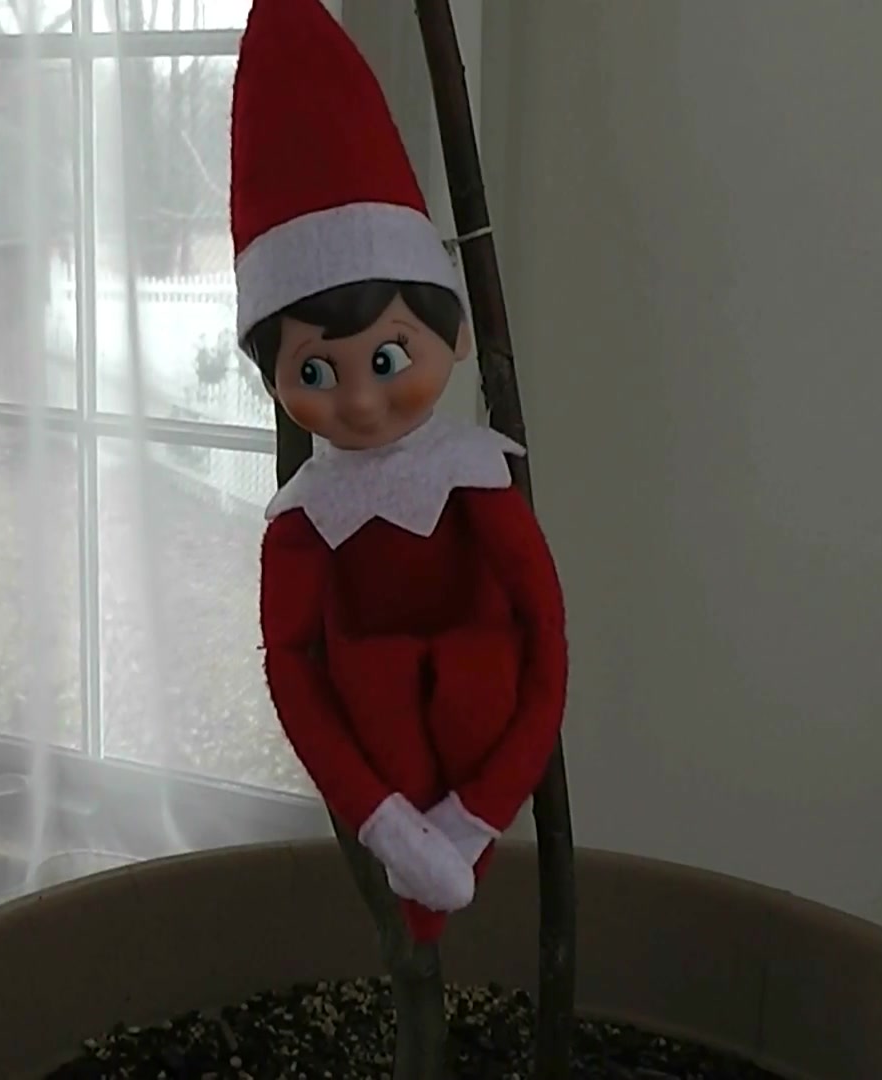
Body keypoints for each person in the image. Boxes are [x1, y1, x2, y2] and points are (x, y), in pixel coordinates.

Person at [234, 0, 569, 944]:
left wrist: (476, 814)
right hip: (378, 747)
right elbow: (293, 665)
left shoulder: (475, 478)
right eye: (314, 373)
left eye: (387, 358)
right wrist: (383, 818)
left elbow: (543, 636)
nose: (361, 402)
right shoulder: (305, 523)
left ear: (455, 336)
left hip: (479, 734)